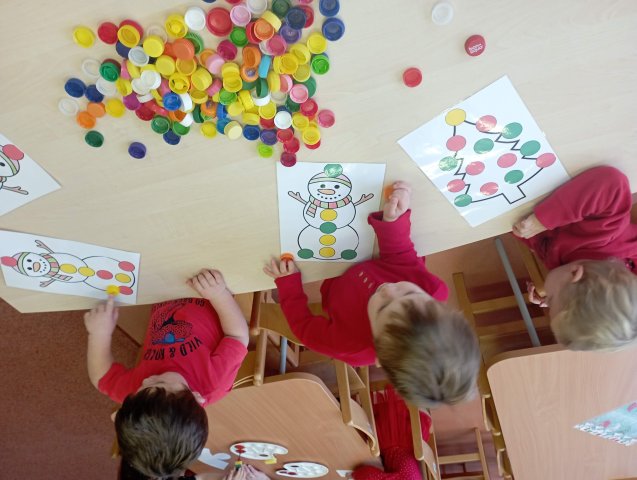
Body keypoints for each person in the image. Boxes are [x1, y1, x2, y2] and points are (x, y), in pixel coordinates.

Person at [264, 182, 480, 408]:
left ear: (379, 355)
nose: (388, 290)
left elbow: (304, 328)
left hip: (335, 282)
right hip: (365, 253)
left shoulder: (351, 347)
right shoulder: (432, 289)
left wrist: (288, 285)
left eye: (383, 307)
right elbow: (400, 254)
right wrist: (394, 220)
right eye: (409, 292)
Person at [85, 268, 249, 478]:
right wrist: (219, 295)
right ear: (196, 398)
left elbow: (100, 377)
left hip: (166, 286)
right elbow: (237, 335)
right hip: (211, 283)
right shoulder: (213, 383)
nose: (147, 379)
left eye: (143, 387)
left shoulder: (141, 399)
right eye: (160, 382)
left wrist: (99, 334)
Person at [512, 165, 637, 351]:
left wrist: (558, 298)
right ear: (575, 274)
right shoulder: (605, 233)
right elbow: (612, 181)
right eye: (550, 299)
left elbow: (532, 236)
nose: (546, 301)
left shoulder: (572, 268)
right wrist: (543, 220)